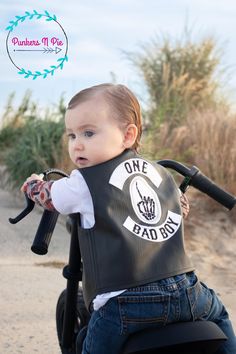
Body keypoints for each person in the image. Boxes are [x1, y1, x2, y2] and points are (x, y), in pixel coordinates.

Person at [21, 83, 236, 354]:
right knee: (219, 315)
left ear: (127, 135)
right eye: (71, 136)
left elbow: (51, 197)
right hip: (186, 292)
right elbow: (179, 211)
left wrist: (32, 184)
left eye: (88, 132)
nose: (78, 144)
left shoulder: (84, 181)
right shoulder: (161, 174)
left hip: (125, 306)